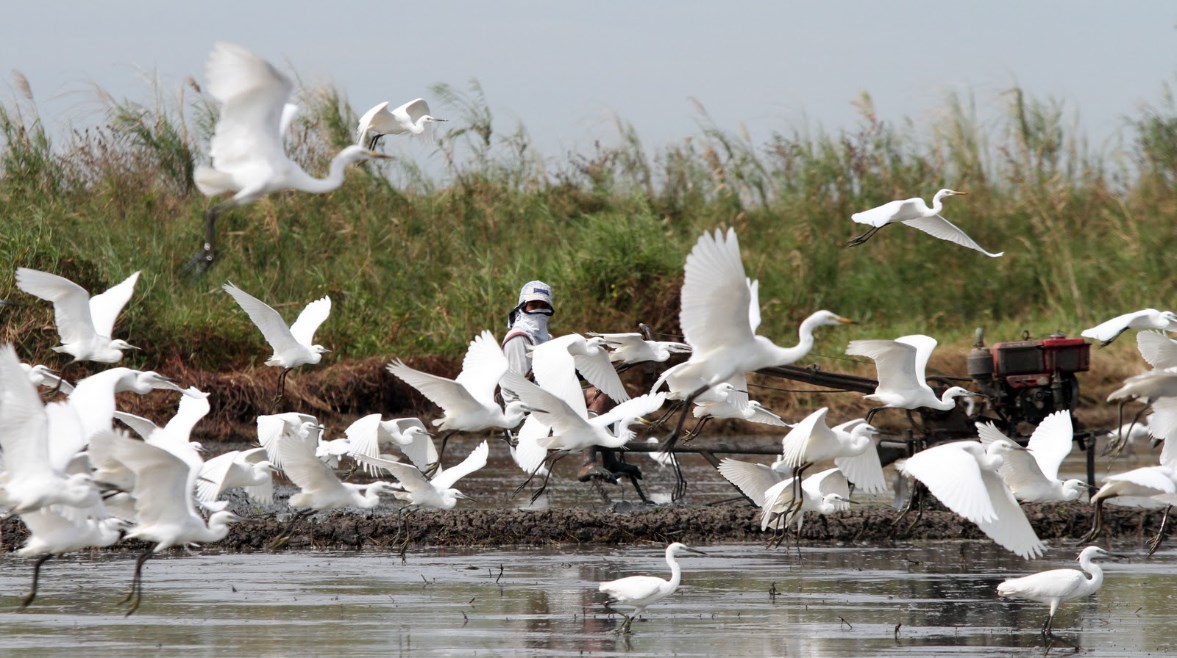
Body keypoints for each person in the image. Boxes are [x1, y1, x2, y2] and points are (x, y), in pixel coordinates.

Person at [501, 280, 648, 501]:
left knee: (604, 392)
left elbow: (556, 374)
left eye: (543, 305)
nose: (538, 310)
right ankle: (587, 464)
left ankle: (610, 461)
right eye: (533, 305)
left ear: (550, 309)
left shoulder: (548, 339)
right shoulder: (518, 338)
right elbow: (520, 386)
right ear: (522, 307)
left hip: (550, 400)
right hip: (526, 411)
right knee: (586, 398)